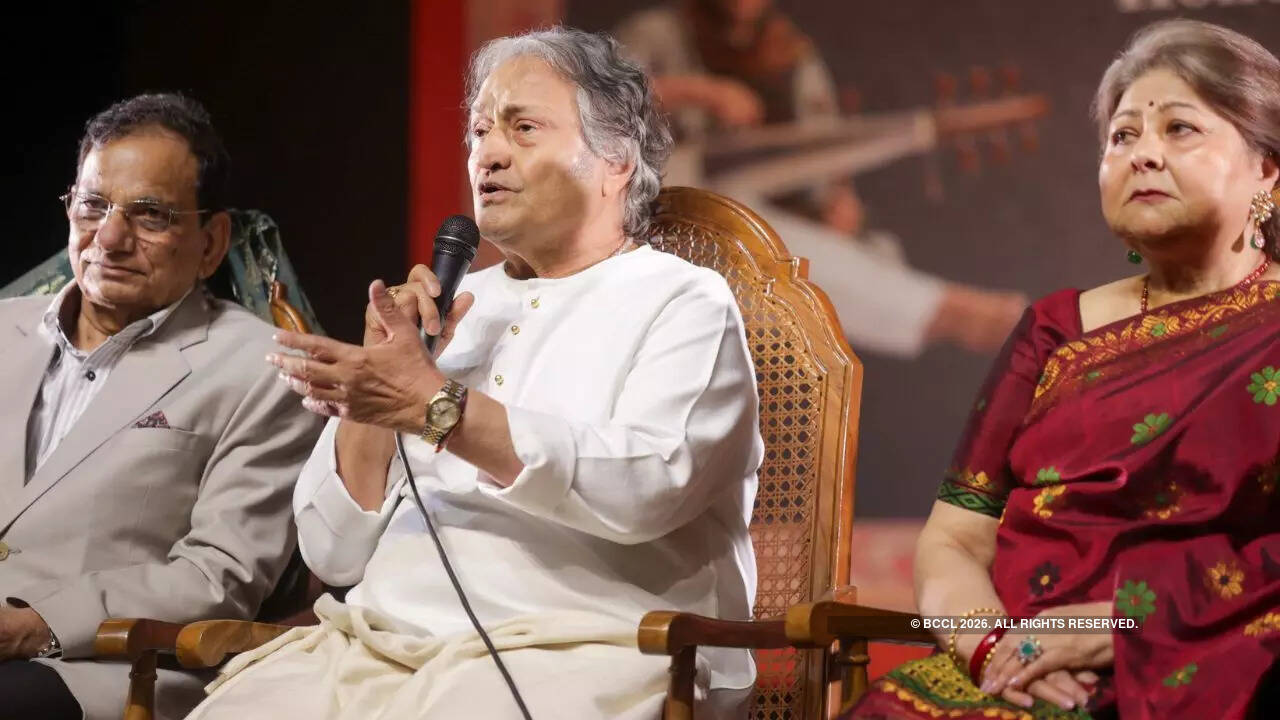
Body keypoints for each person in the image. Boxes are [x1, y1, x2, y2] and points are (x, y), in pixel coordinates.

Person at [186, 27, 762, 720]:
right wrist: (377, 391)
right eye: (479, 131)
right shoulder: (455, 309)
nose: (487, 153)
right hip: (379, 647)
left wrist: (439, 407)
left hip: (583, 651)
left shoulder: (681, 301)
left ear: (616, 160)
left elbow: (645, 485)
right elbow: (333, 553)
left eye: (523, 128)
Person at [844, 20, 1280, 719]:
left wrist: (1119, 629)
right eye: (1122, 136)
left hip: (1202, 663)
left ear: (1267, 167)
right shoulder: (1055, 329)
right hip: (1014, 665)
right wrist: (992, 649)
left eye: (1179, 129)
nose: (1142, 155)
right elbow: (955, 537)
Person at [0, 94, 324, 720]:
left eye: (150, 215)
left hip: (99, 667)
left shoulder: (265, 371)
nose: (111, 239)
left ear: (211, 241)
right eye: (93, 205)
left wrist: (36, 625)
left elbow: (216, 578)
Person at [615, 0, 1028, 357]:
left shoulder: (789, 52)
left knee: (868, 252)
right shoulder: (660, 31)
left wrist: (839, 199)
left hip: (774, 204)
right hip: (667, 198)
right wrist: (703, 92)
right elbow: (597, 97)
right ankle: (946, 310)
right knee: (742, 230)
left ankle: (937, 311)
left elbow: (822, 143)